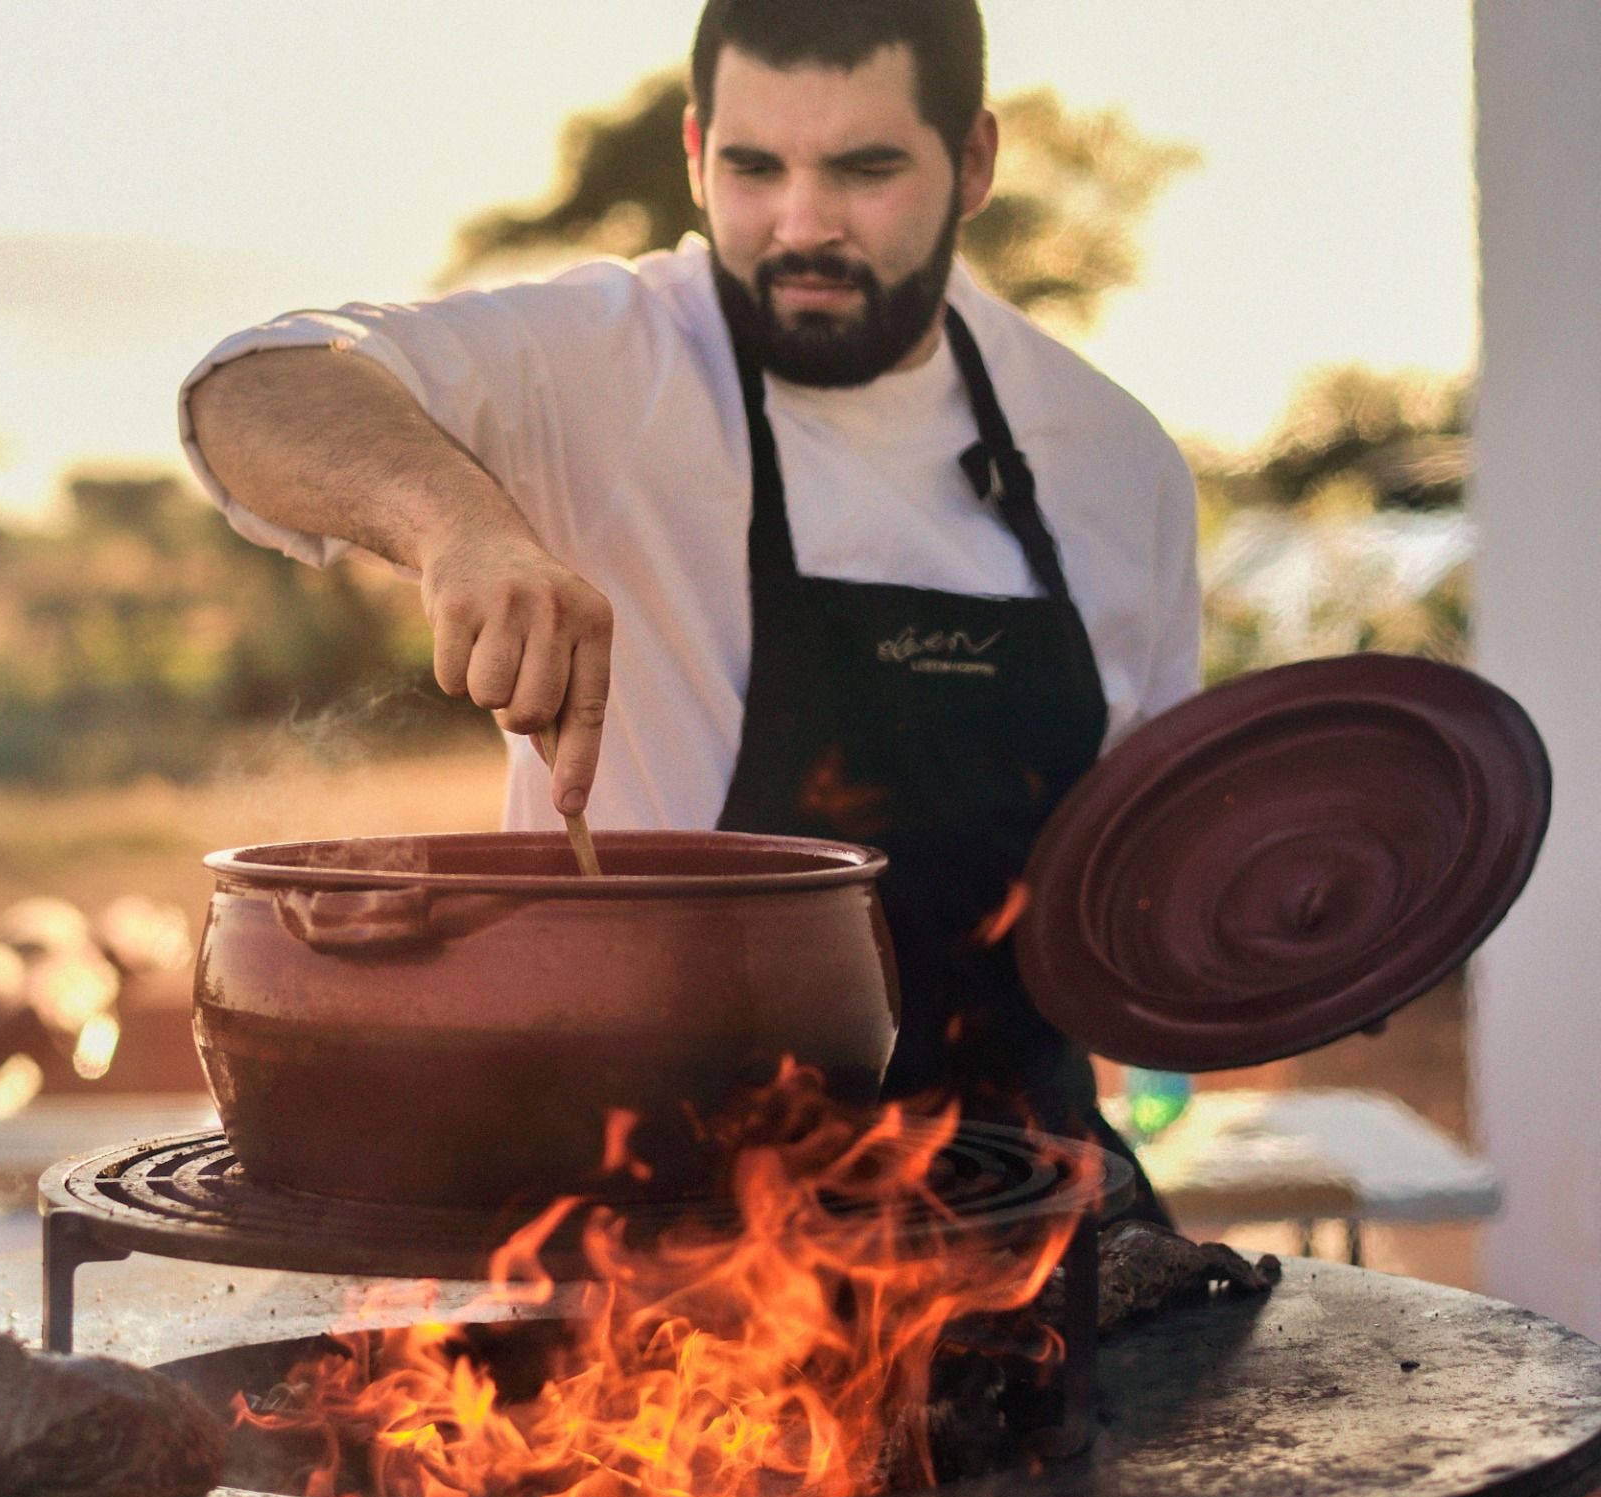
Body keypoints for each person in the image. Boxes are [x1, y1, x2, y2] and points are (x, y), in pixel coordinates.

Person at [179, 0, 1197, 1215]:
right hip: (667, 1214)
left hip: (1025, 1206)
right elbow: (252, 389)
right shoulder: (611, 361)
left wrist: (1317, 927)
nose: (801, 225)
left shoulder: (1111, 458)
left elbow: (1151, 881)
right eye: (754, 169)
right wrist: (460, 527)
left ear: (973, 161)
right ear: (694, 152)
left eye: (866, 170)